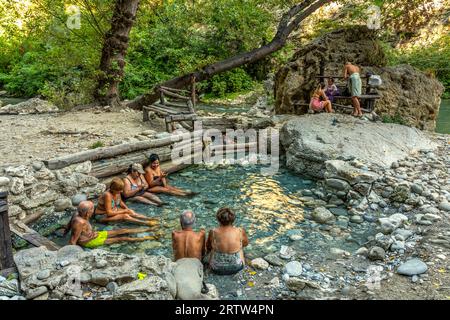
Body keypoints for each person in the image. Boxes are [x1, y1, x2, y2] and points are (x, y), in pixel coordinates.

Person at [66, 201, 157, 248]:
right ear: (87, 213)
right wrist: (91, 238)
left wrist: (64, 233)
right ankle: (148, 238)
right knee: (122, 238)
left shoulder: (77, 213)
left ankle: (148, 229)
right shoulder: (80, 222)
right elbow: (74, 241)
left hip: (94, 234)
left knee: (122, 231)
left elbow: (68, 226)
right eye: (92, 209)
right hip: (91, 241)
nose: (94, 210)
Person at [95, 178, 159, 226]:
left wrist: (126, 208)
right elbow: (109, 213)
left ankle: (150, 218)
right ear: (114, 189)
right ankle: (146, 223)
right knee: (125, 216)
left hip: (114, 210)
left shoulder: (117, 192)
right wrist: (124, 211)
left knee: (131, 211)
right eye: (120, 190)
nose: (121, 192)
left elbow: (120, 202)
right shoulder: (107, 195)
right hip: (102, 215)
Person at [206, 207, 249, 275]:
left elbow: (208, 246)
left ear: (218, 219)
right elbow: (246, 244)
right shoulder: (240, 231)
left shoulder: (213, 231)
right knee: (240, 247)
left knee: (213, 248)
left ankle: (209, 266)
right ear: (233, 219)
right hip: (236, 267)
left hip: (216, 268)